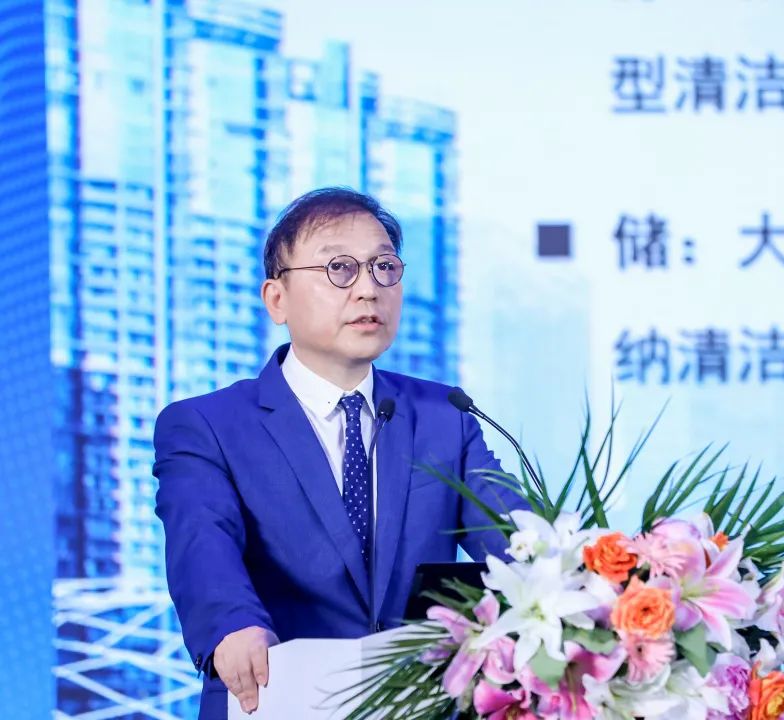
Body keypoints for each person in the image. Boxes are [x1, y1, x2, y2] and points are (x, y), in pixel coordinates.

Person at [153, 187, 526, 718]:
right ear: (276, 299)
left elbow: (520, 546)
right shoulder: (208, 425)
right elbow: (201, 543)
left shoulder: (445, 416)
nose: (368, 289)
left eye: (384, 267)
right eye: (340, 269)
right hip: (273, 699)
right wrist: (233, 625)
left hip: (419, 704)